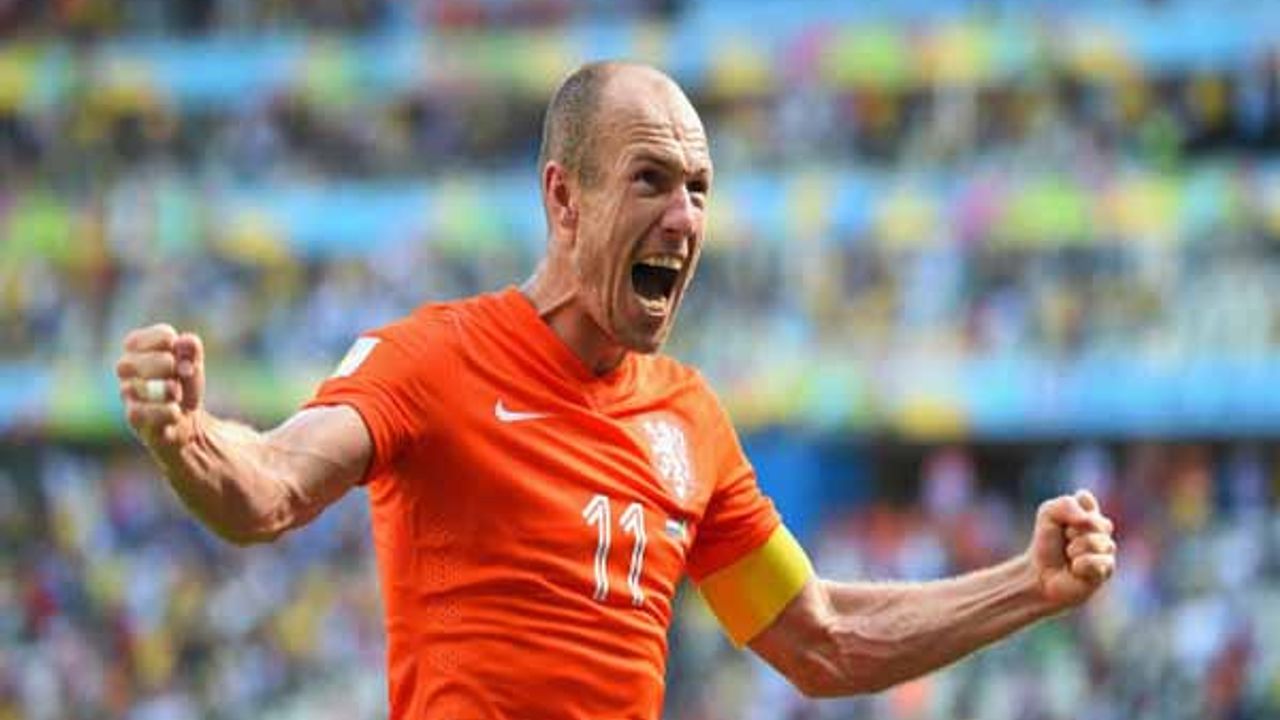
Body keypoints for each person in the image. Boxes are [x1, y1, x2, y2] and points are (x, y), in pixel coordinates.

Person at [115, 61, 1117, 719]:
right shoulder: (431, 360)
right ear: (564, 198)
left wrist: (1025, 586)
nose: (684, 217)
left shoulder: (689, 419)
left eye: (699, 189)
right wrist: (188, 435)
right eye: (650, 180)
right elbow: (270, 487)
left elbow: (820, 640)